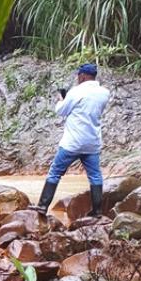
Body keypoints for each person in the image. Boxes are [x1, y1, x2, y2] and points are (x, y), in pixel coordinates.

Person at [36, 63, 111, 215]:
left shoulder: (76, 91)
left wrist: (60, 99)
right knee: (95, 176)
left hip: (73, 143)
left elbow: (61, 111)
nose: (77, 78)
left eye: (78, 76)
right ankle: (97, 211)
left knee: (55, 172)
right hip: (92, 143)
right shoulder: (104, 92)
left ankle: (43, 206)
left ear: (82, 76)